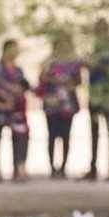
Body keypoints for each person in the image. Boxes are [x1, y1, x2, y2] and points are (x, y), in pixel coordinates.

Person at [81, 19, 109, 181]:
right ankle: (93, 168)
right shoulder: (95, 47)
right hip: (94, 94)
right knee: (93, 132)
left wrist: (101, 68)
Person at [37, 32, 83, 179]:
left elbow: (79, 80)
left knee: (65, 136)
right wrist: (56, 80)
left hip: (67, 104)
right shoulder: (48, 61)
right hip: (52, 103)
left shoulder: (73, 62)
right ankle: (52, 167)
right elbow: (42, 78)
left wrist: (68, 83)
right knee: (51, 135)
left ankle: (63, 167)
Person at [0, 40, 26, 181]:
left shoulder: (18, 70)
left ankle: (17, 169)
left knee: (17, 138)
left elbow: (23, 87)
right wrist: (5, 98)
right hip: (0, 108)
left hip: (15, 110)